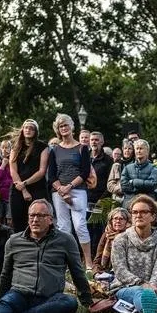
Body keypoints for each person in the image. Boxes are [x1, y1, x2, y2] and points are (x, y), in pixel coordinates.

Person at [0, 199, 93, 313]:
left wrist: (88, 302)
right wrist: (1, 299)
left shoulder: (66, 240)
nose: (35, 220)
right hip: (19, 293)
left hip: (50, 297)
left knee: (69, 302)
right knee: (7, 303)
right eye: (32, 215)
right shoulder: (14, 241)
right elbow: (6, 273)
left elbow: (77, 272)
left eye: (40, 216)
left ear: (50, 219)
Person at [110, 195, 157, 313]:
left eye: (144, 212)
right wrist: (142, 284)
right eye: (135, 212)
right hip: (126, 287)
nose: (138, 215)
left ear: (153, 216)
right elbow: (120, 270)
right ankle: (156, 311)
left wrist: (153, 285)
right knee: (141, 293)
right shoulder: (120, 240)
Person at [48, 113, 94, 270]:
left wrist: (70, 187)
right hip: (58, 192)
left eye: (66, 125)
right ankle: (64, 263)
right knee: (63, 227)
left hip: (78, 190)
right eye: (61, 126)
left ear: (71, 127)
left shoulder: (82, 148)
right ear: (58, 130)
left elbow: (85, 172)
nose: (64, 128)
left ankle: (88, 262)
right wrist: (60, 188)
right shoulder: (54, 150)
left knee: (80, 225)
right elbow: (51, 174)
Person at [9, 119, 49, 233]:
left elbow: (42, 171)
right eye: (26, 128)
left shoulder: (43, 147)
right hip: (18, 189)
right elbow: (13, 171)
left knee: (39, 220)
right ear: (22, 130)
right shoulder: (15, 147)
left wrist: (25, 183)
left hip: (37, 188)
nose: (28, 130)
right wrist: (24, 190)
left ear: (36, 131)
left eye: (31, 128)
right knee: (18, 221)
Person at [87, 131, 114, 258]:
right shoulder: (84, 157)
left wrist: (102, 200)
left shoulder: (109, 161)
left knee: (97, 229)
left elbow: (110, 183)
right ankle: (85, 255)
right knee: (84, 228)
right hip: (84, 198)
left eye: (97, 140)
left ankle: (95, 256)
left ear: (102, 142)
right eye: (92, 140)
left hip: (100, 200)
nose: (94, 142)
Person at [92, 207, 131, 276]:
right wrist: (96, 273)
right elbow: (97, 260)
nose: (118, 221)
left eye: (121, 219)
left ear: (127, 222)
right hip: (105, 272)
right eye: (115, 218)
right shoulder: (106, 235)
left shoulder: (130, 236)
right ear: (111, 221)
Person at [120, 139, 157, 208]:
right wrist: (143, 188)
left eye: (141, 148)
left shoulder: (153, 168)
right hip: (129, 205)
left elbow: (152, 185)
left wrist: (134, 182)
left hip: (146, 205)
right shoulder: (127, 168)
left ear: (147, 151)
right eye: (137, 149)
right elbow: (123, 186)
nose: (138, 151)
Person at [107, 140, 135, 204]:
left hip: (132, 199)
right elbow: (110, 185)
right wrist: (121, 189)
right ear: (122, 149)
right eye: (125, 148)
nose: (127, 150)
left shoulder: (136, 164)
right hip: (117, 199)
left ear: (133, 150)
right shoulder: (116, 165)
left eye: (130, 148)